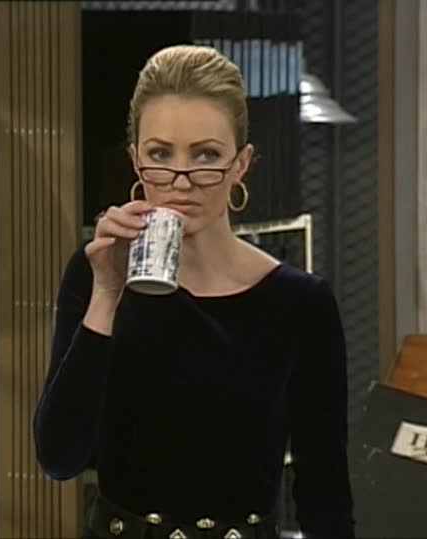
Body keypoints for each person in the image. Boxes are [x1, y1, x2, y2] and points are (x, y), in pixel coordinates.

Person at [34, 44, 355, 539]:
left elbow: (324, 492)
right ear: (135, 161)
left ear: (240, 164)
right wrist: (107, 294)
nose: (181, 181)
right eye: (160, 155)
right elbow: (58, 458)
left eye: (206, 155)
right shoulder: (94, 272)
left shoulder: (299, 303)